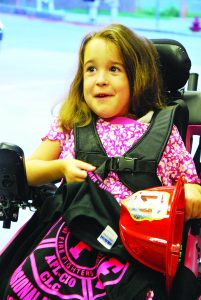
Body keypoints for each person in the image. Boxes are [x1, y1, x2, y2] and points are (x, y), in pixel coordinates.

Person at [3, 23, 201, 299]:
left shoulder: (162, 134)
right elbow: (27, 171)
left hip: (133, 249)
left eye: (114, 69)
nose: (100, 79)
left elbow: (192, 186)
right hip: (69, 237)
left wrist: (187, 196)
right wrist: (60, 167)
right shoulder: (71, 123)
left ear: (138, 78)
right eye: (91, 69)